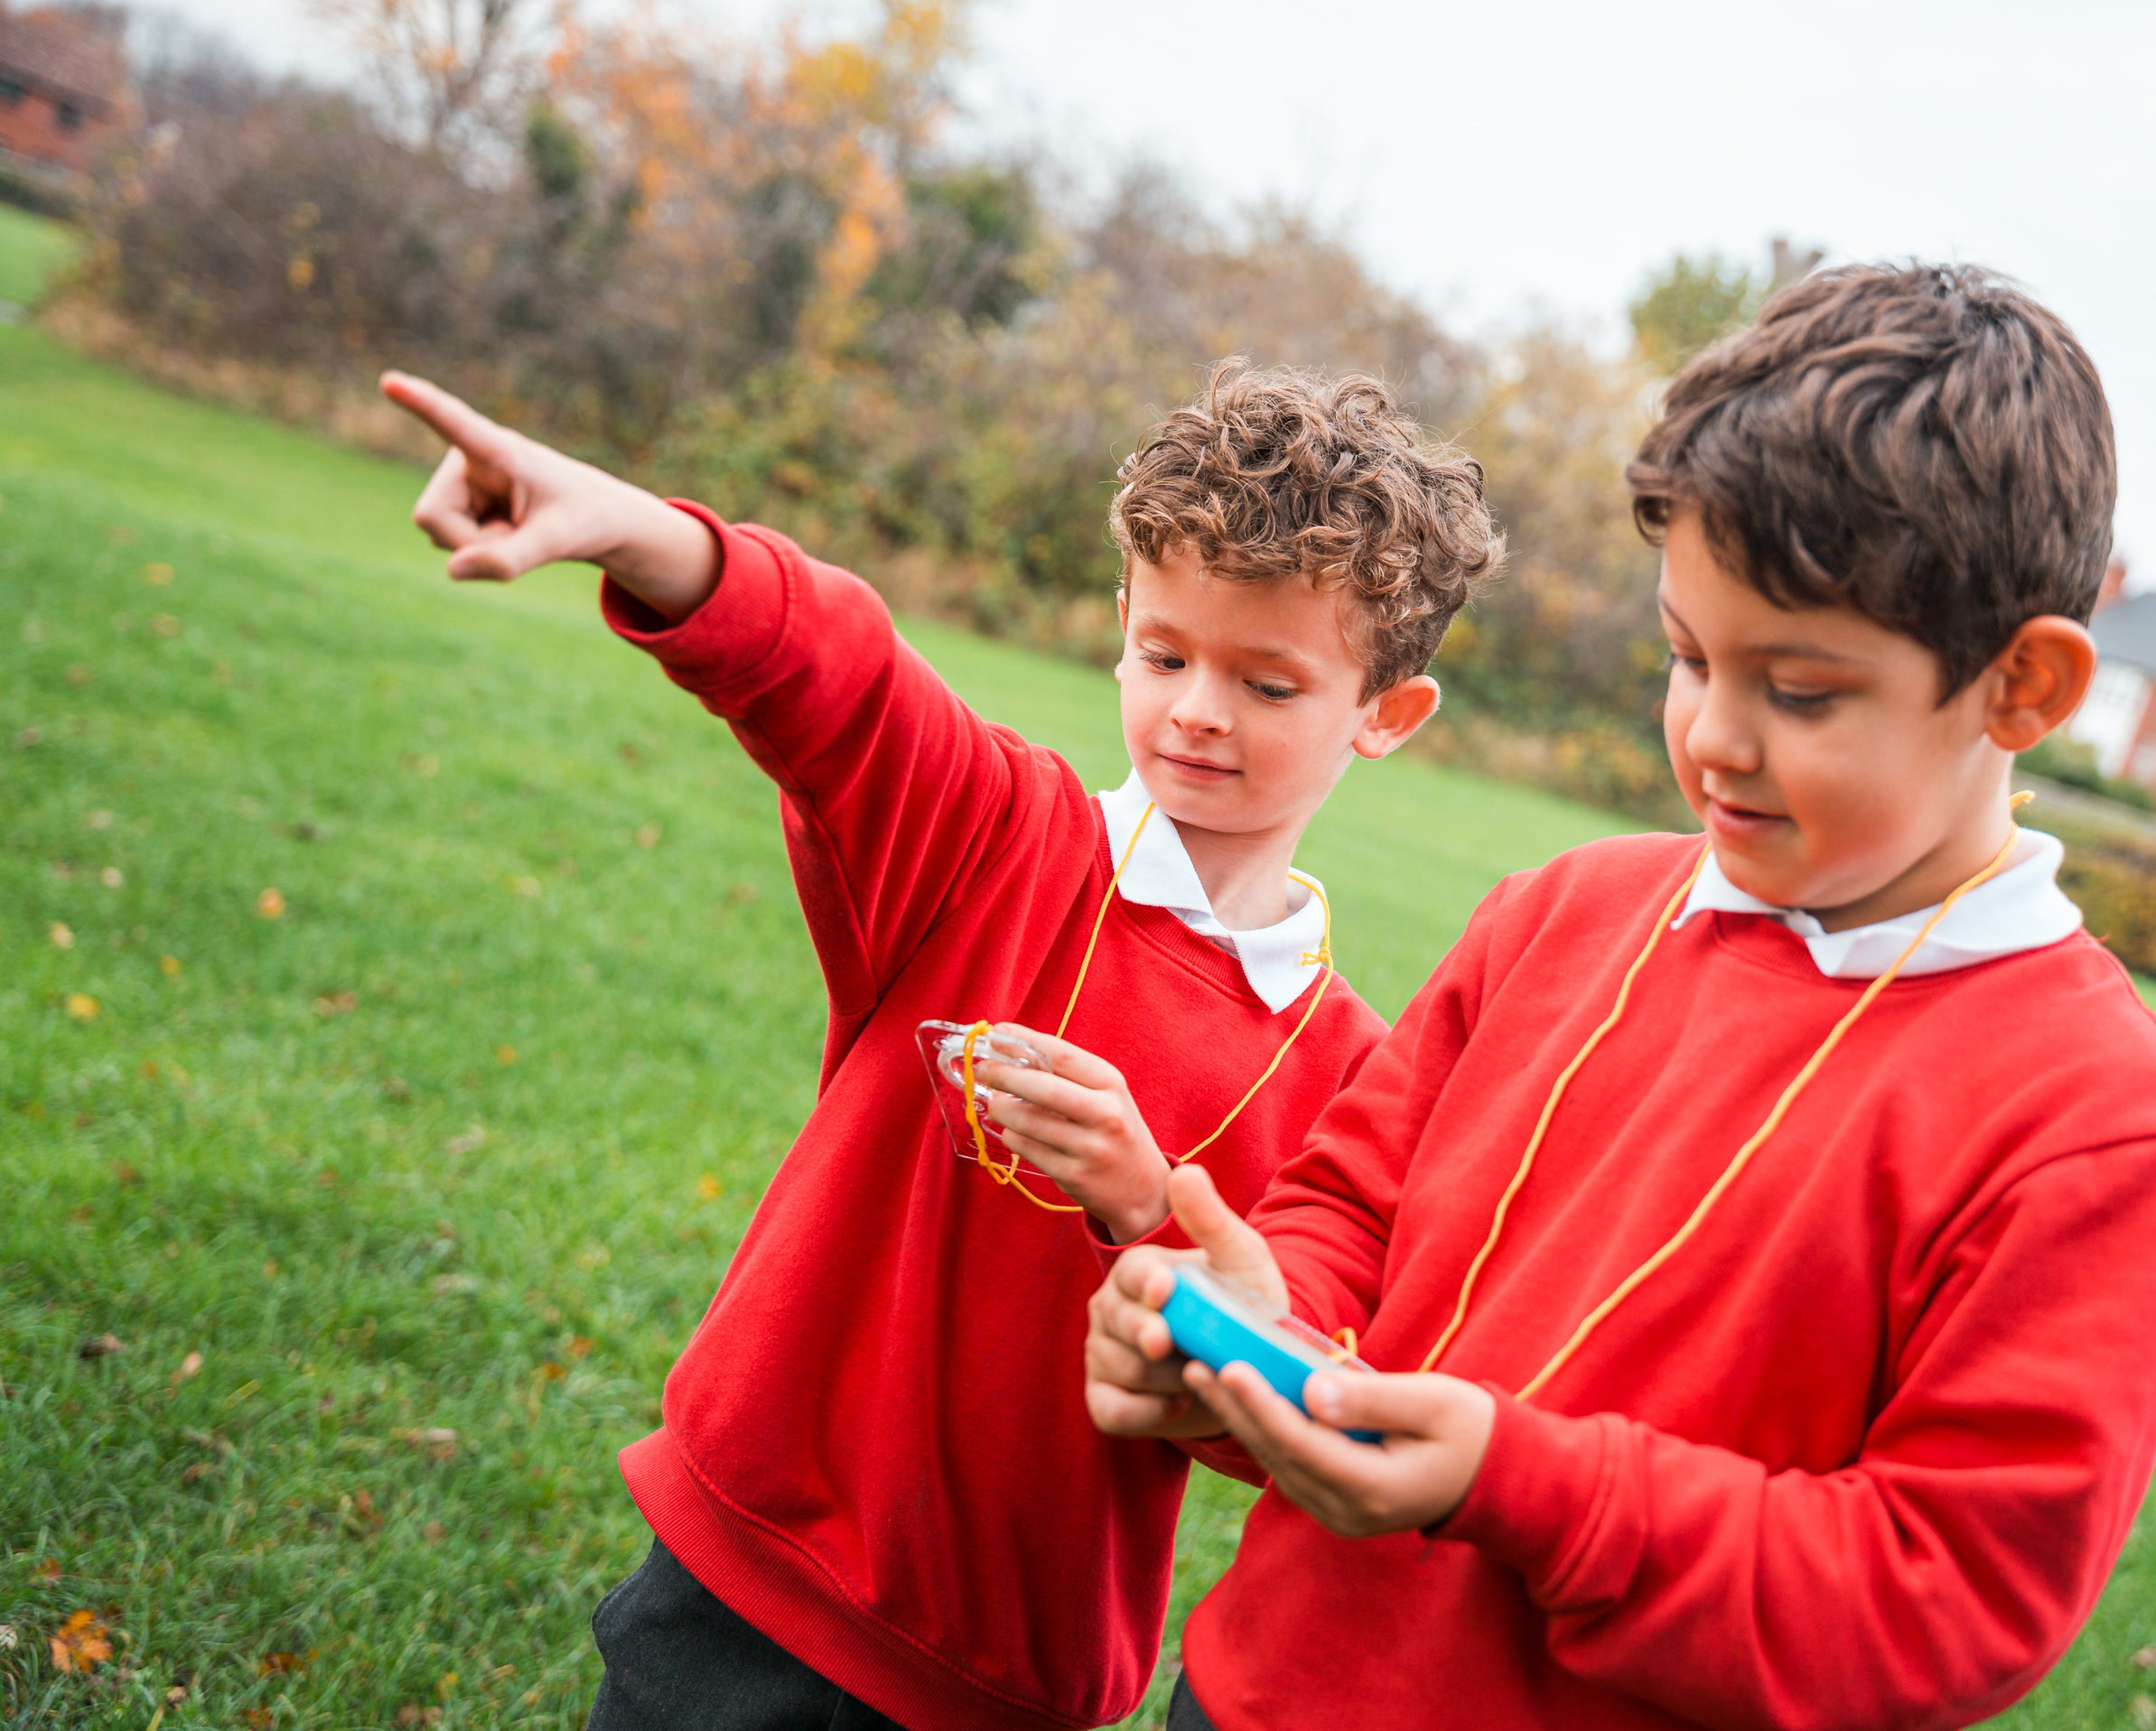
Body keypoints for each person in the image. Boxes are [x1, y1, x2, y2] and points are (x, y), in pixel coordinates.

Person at [1086, 264, 2156, 1731]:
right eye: (1689, 658)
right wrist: (1248, 1325)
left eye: (1800, 693)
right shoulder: (1562, 912)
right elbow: (1352, 1214)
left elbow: (1945, 1600)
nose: (1714, 741)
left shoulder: (2097, 1132)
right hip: (1251, 1695)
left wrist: (1528, 1489)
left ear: (2025, 687)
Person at [378, 358, 1500, 1730]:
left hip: (1003, 1682)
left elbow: (1292, 1419)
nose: (1197, 710)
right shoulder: (995, 839)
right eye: (1165, 655)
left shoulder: (1354, 1074)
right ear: (1121, 634)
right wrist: (629, 527)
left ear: (1385, 714)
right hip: (745, 1585)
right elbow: (836, 676)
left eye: (1268, 684)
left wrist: (1142, 1210)